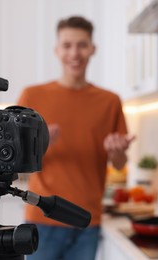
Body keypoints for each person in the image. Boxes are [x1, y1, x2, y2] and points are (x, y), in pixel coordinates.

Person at [18, 16, 135, 260]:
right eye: (67, 45)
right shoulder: (32, 96)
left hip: (87, 221)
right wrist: (38, 144)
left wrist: (117, 152)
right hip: (43, 219)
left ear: (93, 49)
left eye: (82, 45)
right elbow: (16, 163)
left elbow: (120, 164)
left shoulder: (110, 101)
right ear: (57, 50)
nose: (75, 53)